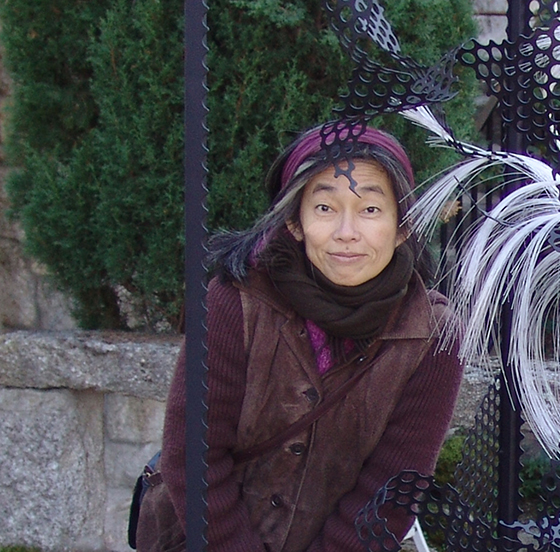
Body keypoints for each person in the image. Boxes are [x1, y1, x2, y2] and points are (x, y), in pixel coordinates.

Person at [135, 125, 464, 552]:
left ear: (402, 226)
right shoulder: (234, 302)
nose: (346, 232)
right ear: (295, 221)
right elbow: (195, 455)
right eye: (325, 207)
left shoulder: (433, 336)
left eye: (370, 209)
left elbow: (392, 490)